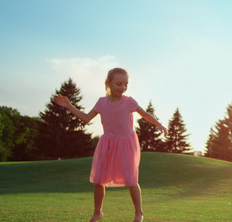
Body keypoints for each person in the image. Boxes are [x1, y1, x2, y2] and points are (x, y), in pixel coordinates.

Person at [55, 68, 168, 222]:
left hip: (127, 143)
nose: (122, 88)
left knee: (131, 180)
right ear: (109, 83)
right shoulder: (102, 102)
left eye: (125, 84)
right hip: (107, 143)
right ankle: (97, 213)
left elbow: (145, 115)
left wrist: (159, 125)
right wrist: (69, 106)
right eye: (119, 84)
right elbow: (87, 118)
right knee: (99, 180)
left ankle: (139, 213)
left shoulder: (129, 102)